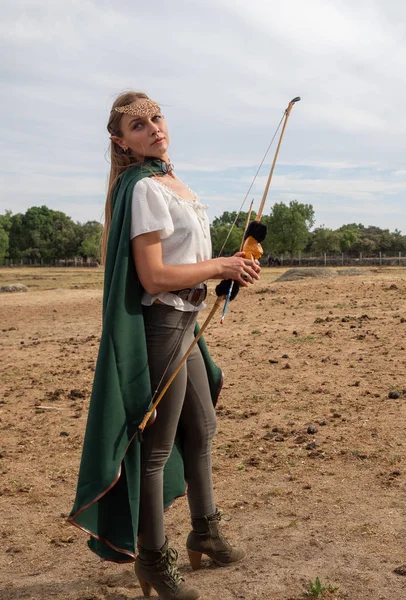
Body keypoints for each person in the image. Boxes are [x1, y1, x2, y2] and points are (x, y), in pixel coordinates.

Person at [69, 91, 260, 600]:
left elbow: (184, 262)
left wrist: (230, 267)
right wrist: (220, 266)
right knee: (154, 453)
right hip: (162, 327)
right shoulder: (143, 189)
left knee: (201, 428)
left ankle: (205, 530)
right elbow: (153, 277)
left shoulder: (173, 183)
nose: (153, 128)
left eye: (156, 117)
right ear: (121, 142)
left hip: (188, 320)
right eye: (138, 125)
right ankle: (154, 559)